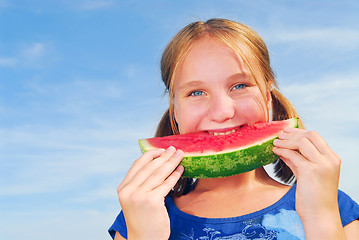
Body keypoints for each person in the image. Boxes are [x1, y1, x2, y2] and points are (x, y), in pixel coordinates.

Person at [109, 18, 359, 239]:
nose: (222, 111)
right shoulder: (139, 214)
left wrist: (321, 216)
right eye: (196, 92)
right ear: (175, 110)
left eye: (239, 86)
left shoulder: (333, 205)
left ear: (268, 95)